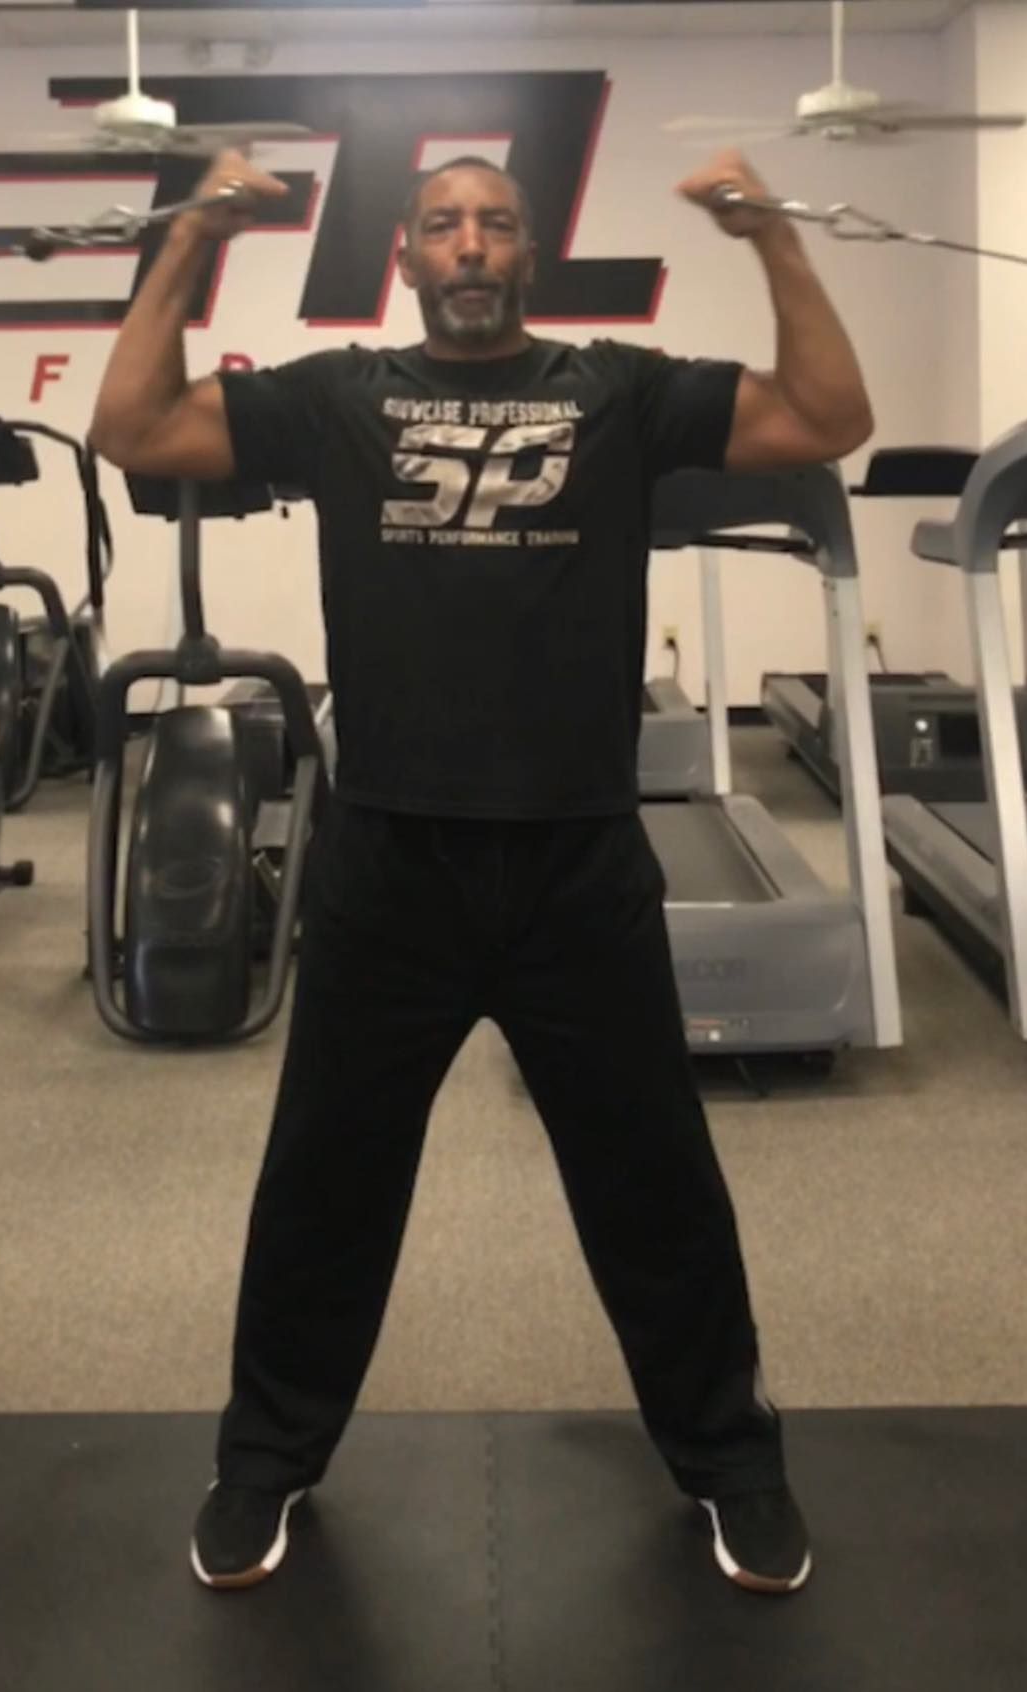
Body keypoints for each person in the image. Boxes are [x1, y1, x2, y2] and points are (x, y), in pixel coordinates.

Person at [90, 144, 872, 1597]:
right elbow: (131, 427)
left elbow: (831, 414)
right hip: (389, 856)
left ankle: (732, 1461)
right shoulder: (337, 399)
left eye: (494, 225)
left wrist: (764, 229)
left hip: (577, 859)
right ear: (403, 257)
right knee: (325, 1179)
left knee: (654, 1184)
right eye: (442, 224)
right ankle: (263, 1461)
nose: (467, 244)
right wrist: (195, 225)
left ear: (530, 257)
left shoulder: (618, 389)